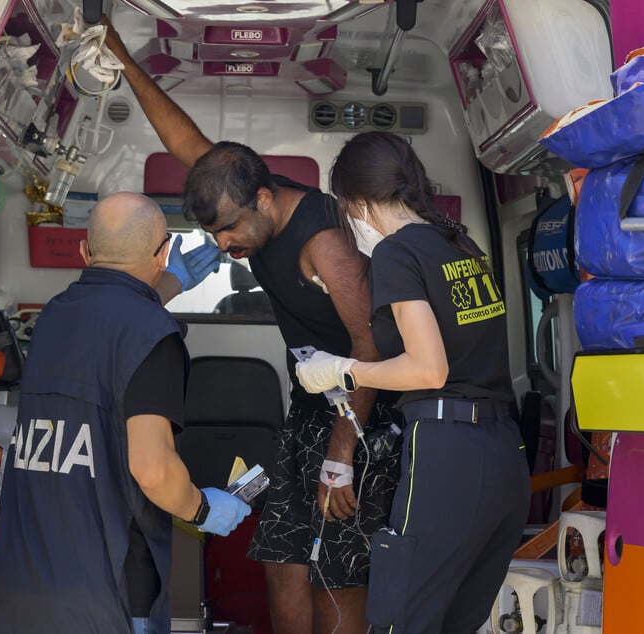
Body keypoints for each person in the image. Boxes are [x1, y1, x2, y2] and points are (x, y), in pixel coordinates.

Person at [103, 24, 403, 634]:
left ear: (265, 198)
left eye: (230, 230)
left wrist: (343, 453)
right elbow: (187, 141)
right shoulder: (239, 194)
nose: (223, 246)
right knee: (283, 564)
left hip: (360, 413)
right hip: (309, 409)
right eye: (213, 235)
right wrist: (121, 56)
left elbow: (371, 345)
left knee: (335, 573)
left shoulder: (324, 241)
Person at [295, 131, 531, 633]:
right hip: (504, 455)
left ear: (357, 203)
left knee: (402, 620)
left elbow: (429, 370)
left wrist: (343, 369)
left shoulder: (397, 254)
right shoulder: (459, 243)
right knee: (456, 622)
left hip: (446, 452)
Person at [0, 192, 251, 634]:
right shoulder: (153, 337)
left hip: (21, 589)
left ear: (84, 252)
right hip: (107, 597)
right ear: (164, 253)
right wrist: (204, 510)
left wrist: (170, 285)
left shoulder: (53, 318)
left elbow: (111, 326)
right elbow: (152, 469)